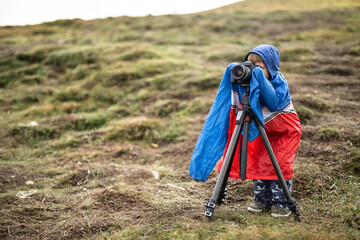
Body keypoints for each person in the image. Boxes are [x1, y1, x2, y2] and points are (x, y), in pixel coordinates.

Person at [189, 44, 301, 218]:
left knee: (278, 164)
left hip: (282, 131)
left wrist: (258, 77)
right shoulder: (250, 82)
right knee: (258, 161)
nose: (254, 70)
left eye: (259, 67)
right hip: (261, 127)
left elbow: (273, 103)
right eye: (250, 65)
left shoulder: (279, 81)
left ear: (271, 67)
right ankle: (261, 201)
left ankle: (282, 203)